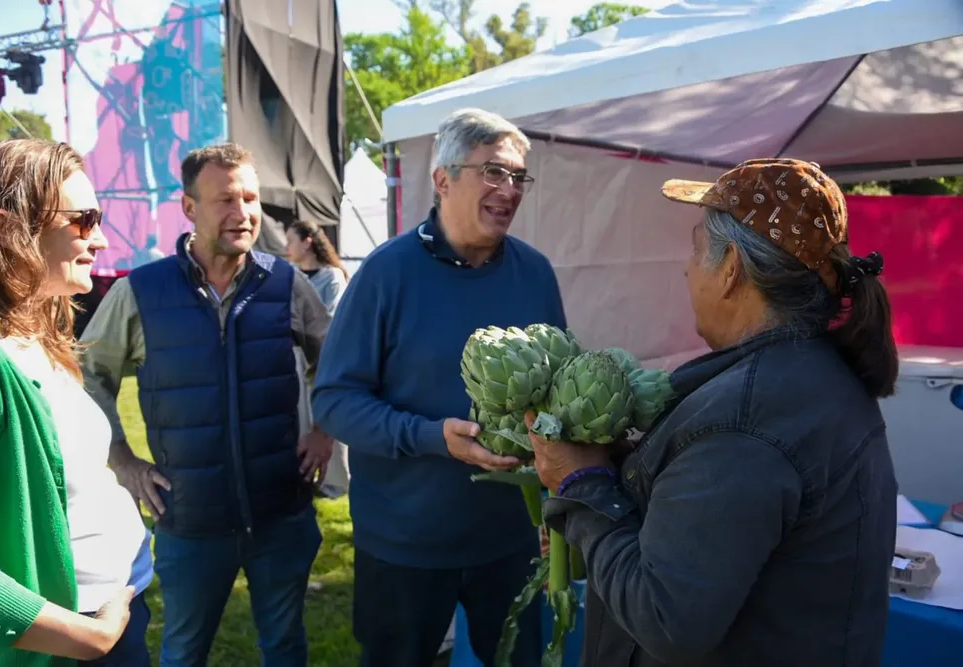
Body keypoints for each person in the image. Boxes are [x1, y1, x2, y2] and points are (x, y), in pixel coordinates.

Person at [530, 158, 899, 667]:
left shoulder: (745, 424)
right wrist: (622, 471)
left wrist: (580, 486)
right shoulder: (809, 376)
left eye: (697, 247)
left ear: (731, 272)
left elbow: (666, 619)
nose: (686, 266)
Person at [312, 108, 566, 666]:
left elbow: (558, 393)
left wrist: (558, 503)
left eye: (519, 177)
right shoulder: (385, 275)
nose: (509, 190)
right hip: (405, 541)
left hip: (512, 540)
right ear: (443, 179)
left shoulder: (536, 273)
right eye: (494, 173)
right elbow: (333, 401)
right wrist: (430, 436)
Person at [79, 143, 333, 667]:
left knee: (286, 648)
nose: (243, 213)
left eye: (250, 198)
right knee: (183, 652)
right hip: (189, 521)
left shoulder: (287, 284)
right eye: (225, 200)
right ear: (190, 208)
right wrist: (122, 461)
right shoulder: (142, 291)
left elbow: (335, 361)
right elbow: (88, 375)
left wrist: (324, 428)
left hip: (281, 515)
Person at [0, 139, 153, 666]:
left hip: (113, 614)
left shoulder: (30, 331)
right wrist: (85, 639)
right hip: (66, 643)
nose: (102, 239)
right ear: (7, 228)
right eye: (84, 220)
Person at [286, 220, 351, 497]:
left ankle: (334, 481)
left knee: (325, 417)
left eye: (291, 241)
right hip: (294, 359)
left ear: (307, 242)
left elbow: (330, 319)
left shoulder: (332, 277)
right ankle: (303, 474)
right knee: (299, 420)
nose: (287, 248)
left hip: (323, 358)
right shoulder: (291, 276)